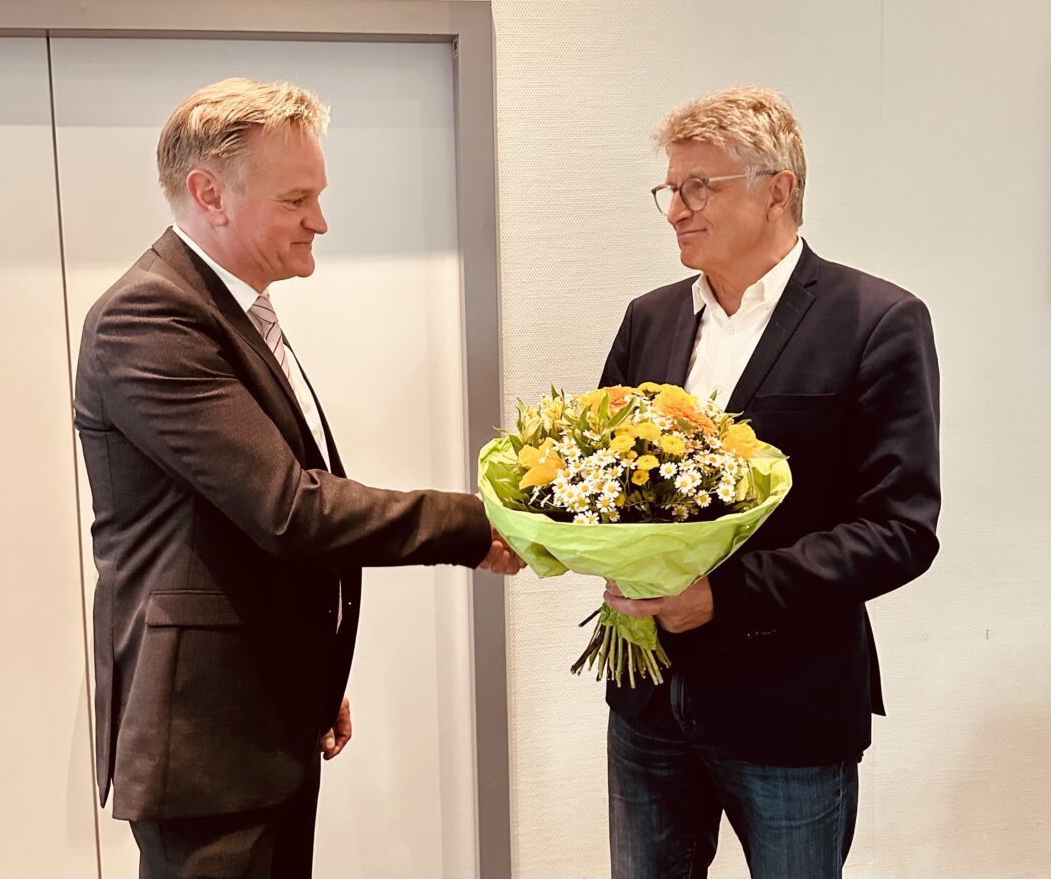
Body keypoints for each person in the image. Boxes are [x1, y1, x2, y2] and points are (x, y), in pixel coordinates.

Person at [73, 77, 521, 879]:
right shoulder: (150, 318)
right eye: (297, 198)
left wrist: (312, 672)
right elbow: (289, 509)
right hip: (206, 745)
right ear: (209, 194)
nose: (321, 219)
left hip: (258, 718)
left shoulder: (232, 310)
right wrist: (475, 523)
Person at [599, 86, 940, 879]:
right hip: (646, 701)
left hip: (790, 707)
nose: (677, 210)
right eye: (670, 191)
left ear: (777, 189)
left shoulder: (877, 320)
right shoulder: (647, 319)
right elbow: (604, 484)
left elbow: (900, 528)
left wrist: (726, 595)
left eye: (699, 188)